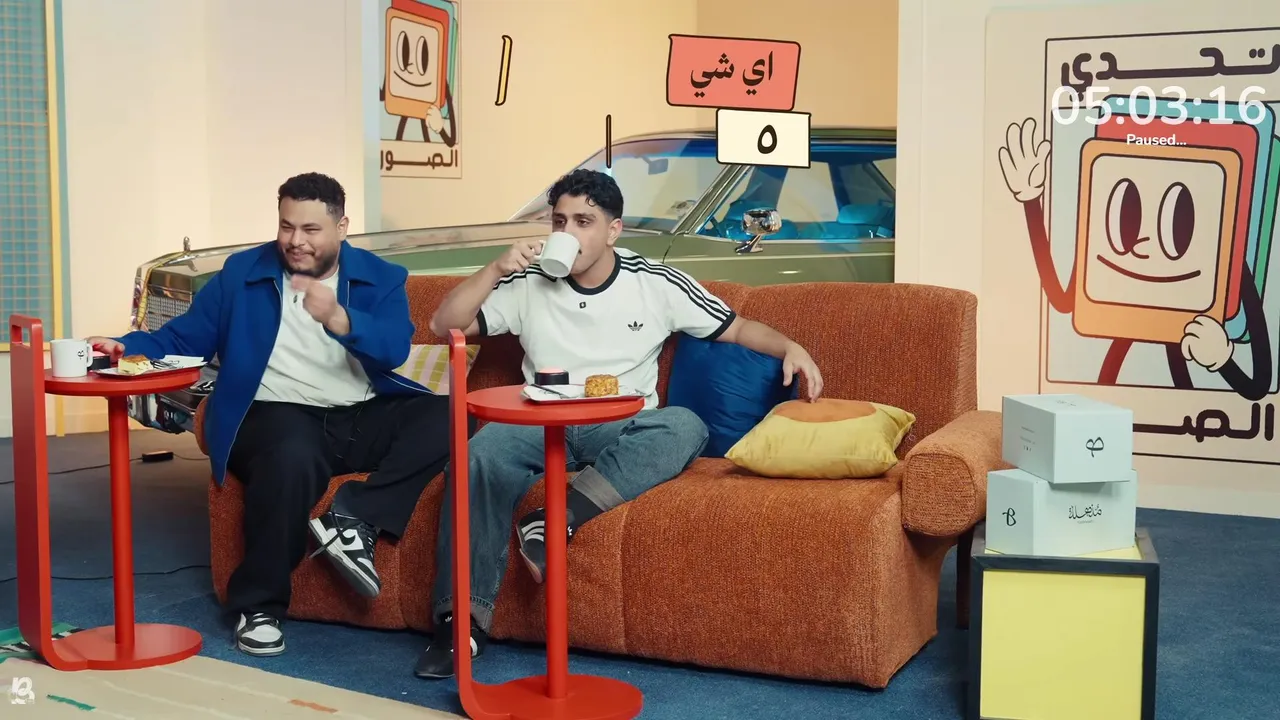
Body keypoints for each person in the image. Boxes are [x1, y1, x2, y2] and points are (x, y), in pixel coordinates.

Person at [414, 168, 825, 678]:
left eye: (583, 222)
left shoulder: (654, 282)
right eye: (559, 221)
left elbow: (736, 327)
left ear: (613, 230)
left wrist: (790, 346)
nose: (568, 233)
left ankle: (556, 519)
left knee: (683, 426)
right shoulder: (528, 281)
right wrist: (496, 267)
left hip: (621, 422)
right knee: (477, 456)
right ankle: (458, 627)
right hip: (539, 419)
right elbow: (444, 324)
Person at [88, 173, 451, 657]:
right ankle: (258, 607)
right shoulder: (243, 273)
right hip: (273, 414)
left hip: (358, 414)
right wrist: (123, 346)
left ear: (342, 227)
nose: (296, 240)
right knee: (290, 455)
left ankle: (356, 517)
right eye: (286, 226)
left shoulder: (380, 276)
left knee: (449, 415)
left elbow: (392, 349)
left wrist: (338, 318)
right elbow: (182, 339)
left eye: (311, 229)